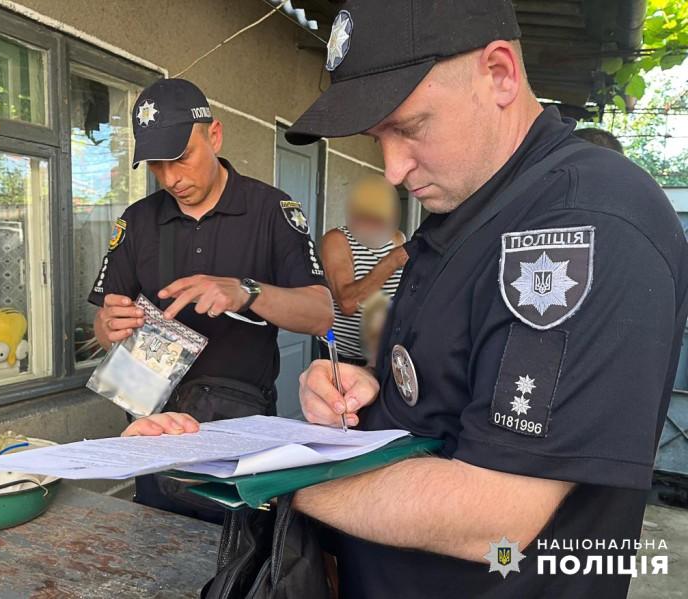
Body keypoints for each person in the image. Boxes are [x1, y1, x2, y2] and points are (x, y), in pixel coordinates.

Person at [125, 1, 688, 596]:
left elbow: (497, 516)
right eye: (378, 137)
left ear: (499, 73)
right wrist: (374, 392)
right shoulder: (465, 213)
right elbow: (451, 390)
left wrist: (253, 468)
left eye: (411, 127)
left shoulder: (582, 225)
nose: (391, 170)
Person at [90, 78, 333, 521]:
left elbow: (320, 314)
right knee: (159, 543)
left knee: (239, 551)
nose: (171, 179)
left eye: (181, 159)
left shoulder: (272, 212)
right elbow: (106, 325)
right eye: (157, 166)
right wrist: (108, 328)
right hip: (157, 427)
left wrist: (247, 291)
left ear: (214, 135)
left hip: (239, 428)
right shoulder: (137, 221)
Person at [320, 174, 407, 365]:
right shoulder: (337, 240)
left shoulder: (397, 238)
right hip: (346, 357)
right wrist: (392, 261)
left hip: (384, 353)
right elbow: (347, 303)